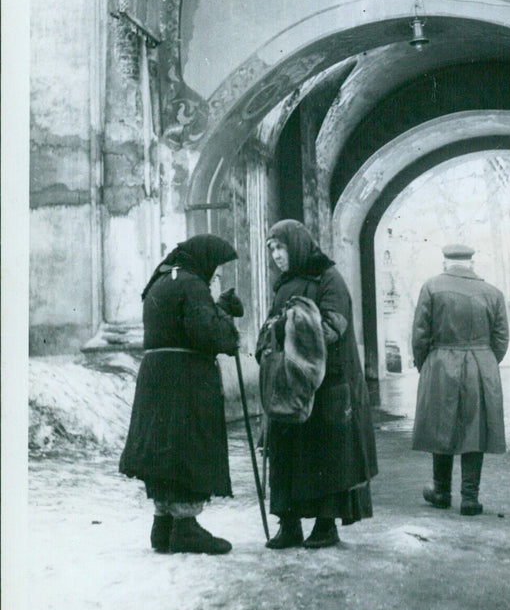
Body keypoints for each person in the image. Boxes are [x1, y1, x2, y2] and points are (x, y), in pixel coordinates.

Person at [256, 219, 378, 549]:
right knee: (287, 454)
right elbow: (272, 325)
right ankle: (289, 523)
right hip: (290, 386)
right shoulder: (283, 285)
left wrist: (289, 331)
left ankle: (326, 525)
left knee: (326, 455)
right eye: (271, 250)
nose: (276, 256)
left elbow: (332, 327)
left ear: (296, 245)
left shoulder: (329, 278)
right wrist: (268, 339)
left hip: (328, 384)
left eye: (280, 247)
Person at [120, 234, 244, 554]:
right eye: (215, 270)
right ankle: (186, 528)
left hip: (157, 378)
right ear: (204, 262)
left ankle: (163, 526)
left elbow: (181, 322)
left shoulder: (161, 280)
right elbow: (208, 334)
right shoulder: (191, 284)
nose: (215, 277)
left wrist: (214, 307)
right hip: (184, 380)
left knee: (165, 450)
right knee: (188, 447)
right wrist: (225, 319)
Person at [411, 243, 509, 515]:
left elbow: (419, 335)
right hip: (481, 362)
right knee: (474, 429)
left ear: (445, 262)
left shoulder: (431, 287)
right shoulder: (493, 293)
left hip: (441, 362)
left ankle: (441, 492)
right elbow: (501, 339)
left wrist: (425, 364)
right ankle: (470, 498)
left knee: (441, 425)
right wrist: (486, 362)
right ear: (471, 263)